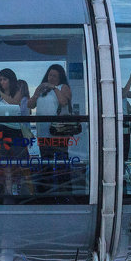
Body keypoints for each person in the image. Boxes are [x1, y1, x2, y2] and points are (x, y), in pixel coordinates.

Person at [29, 63, 73, 194]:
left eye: (55, 76)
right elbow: (30, 105)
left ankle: (64, 192)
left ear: (60, 78)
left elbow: (64, 102)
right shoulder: (42, 90)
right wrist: (37, 91)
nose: (51, 78)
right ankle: (46, 192)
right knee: (46, 164)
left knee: (61, 164)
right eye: (50, 75)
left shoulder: (63, 87)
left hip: (59, 133)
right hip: (43, 133)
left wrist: (54, 88)